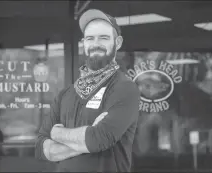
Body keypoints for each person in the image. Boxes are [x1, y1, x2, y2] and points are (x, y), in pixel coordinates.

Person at [35, 9, 140, 172]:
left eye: (103, 38)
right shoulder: (66, 94)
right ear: (84, 42)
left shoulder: (124, 88)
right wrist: (84, 141)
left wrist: (57, 134)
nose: (95, 44)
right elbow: (42, 147)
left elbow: (98, 139)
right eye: (90, 38)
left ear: (117, 42)